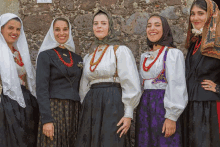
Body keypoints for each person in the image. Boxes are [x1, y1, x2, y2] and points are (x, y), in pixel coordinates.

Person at [75, 9, 141, 147]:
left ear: (110, 26)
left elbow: (130, 82)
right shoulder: (90, 56)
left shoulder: (120, 51)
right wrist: (86, 105)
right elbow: (84, 85)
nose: (99, 26)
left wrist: (128, 113)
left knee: (111, 141)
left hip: (113, 102)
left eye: (103, 23)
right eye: (96, 23)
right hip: (91, 105)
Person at [135, 14, 188, 147]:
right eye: (149, 25)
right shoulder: (144, 56)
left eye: (157, 25)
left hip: (163, 105)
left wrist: (171, 117)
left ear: (165, 29)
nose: (152, 28)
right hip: (145, 106)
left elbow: (177, 85)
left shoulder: (173, 54)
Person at [36, 18, 82, 147]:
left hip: (73, 111)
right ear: (52, 32)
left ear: (69, 31)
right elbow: (41, 89)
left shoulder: (77, 58)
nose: (61, 33)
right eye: (57, 29)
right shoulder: (45, 56)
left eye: (65, 29)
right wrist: (46, 120)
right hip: (54, 110)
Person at [181, 0, 220, 146]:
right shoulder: (194, 43)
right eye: (192, 14)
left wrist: (217, 88)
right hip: (190, 106)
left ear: (211, 15)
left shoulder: (218, 43)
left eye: (200, 13)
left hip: (209, 108)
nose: (195, 18)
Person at [0, 13, 39, 147]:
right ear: (1, 29)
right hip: (5, 103)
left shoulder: (18, 53)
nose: (15, 32)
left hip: (24, 101)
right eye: (10, 28)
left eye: (18, 29)